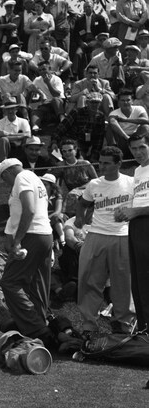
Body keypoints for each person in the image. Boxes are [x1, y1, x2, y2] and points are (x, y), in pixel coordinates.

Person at [76, 146, 134, 334]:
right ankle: (88, 325)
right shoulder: (94, 184)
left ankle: (123, 323)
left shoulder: (131, 182)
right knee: (89, 280)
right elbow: (83, 203)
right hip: (96, 235)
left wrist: (130, 214)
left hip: (122, 236)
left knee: (123, 283)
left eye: (107, 163)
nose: (102, 166)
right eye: (100, 162)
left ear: (118, 164)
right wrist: (79, 219)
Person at [0, 158, 54, 347]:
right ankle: (41, 324)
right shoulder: (34, 178)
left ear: (7, 173)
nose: (6, 184)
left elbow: (29, 209)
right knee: (37, 283)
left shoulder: (22, 177)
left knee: (10, 282)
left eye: (4, 180)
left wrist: (18, 240)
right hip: (44, 233)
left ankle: (35, 328)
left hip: (32, 234)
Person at [115, 133, 149, 331]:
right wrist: (126, 211)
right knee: (138, 280)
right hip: (137, 225)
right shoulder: (138, 171)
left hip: (145, 221)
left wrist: (135, 211)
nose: (138, 153)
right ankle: (144, 328)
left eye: (142, 147)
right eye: (134, 149)